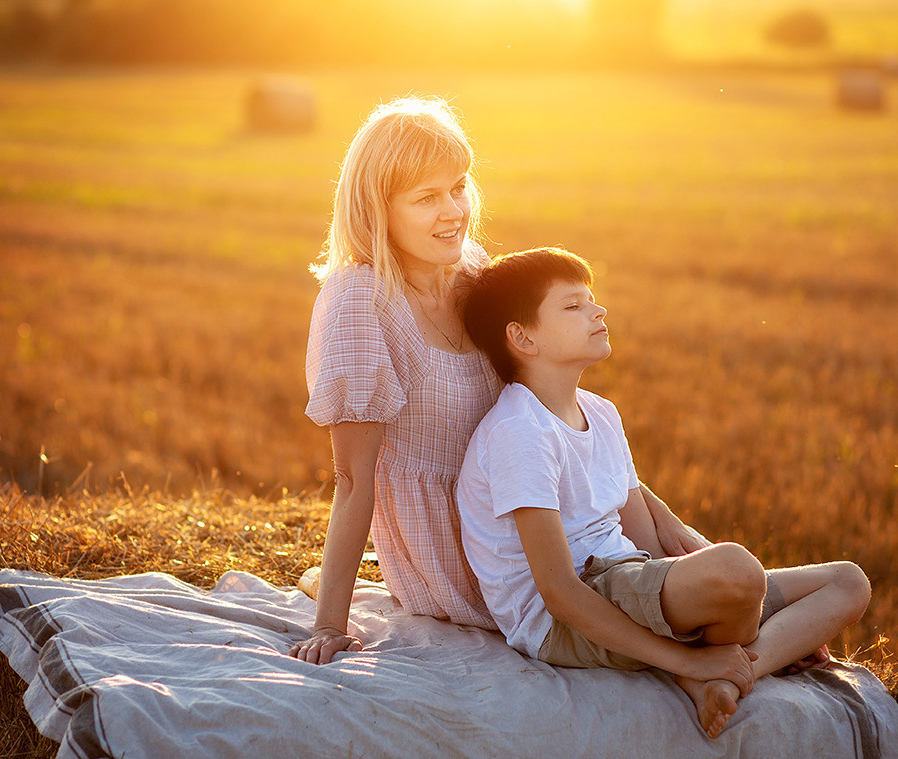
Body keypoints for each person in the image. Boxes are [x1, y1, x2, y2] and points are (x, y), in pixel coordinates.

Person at [289, 98, 703, 665]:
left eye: (458, 187)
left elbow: (553, 412)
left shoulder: (475, 270)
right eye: (426, 197)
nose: (453, 210)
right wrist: (329, 625)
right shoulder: (358, 302)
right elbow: (353, 479)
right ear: (377, 208)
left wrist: (662, 515)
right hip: (458, 552)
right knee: (665, 604)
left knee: (696, 578)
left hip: (546, 514)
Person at [456, 247, 872, 738]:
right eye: (572, 306)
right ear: (522, 337)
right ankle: (704, 667)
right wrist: (686, 654)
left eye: (592, 300)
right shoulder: (519, 431)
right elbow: (560, 594)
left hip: (630, 582)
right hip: (565, 618)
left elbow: (648, 545)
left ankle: (730, 674)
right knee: (738, 571)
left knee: (847, 582)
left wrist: (704, 582)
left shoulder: (602, 413)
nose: (598, 311)